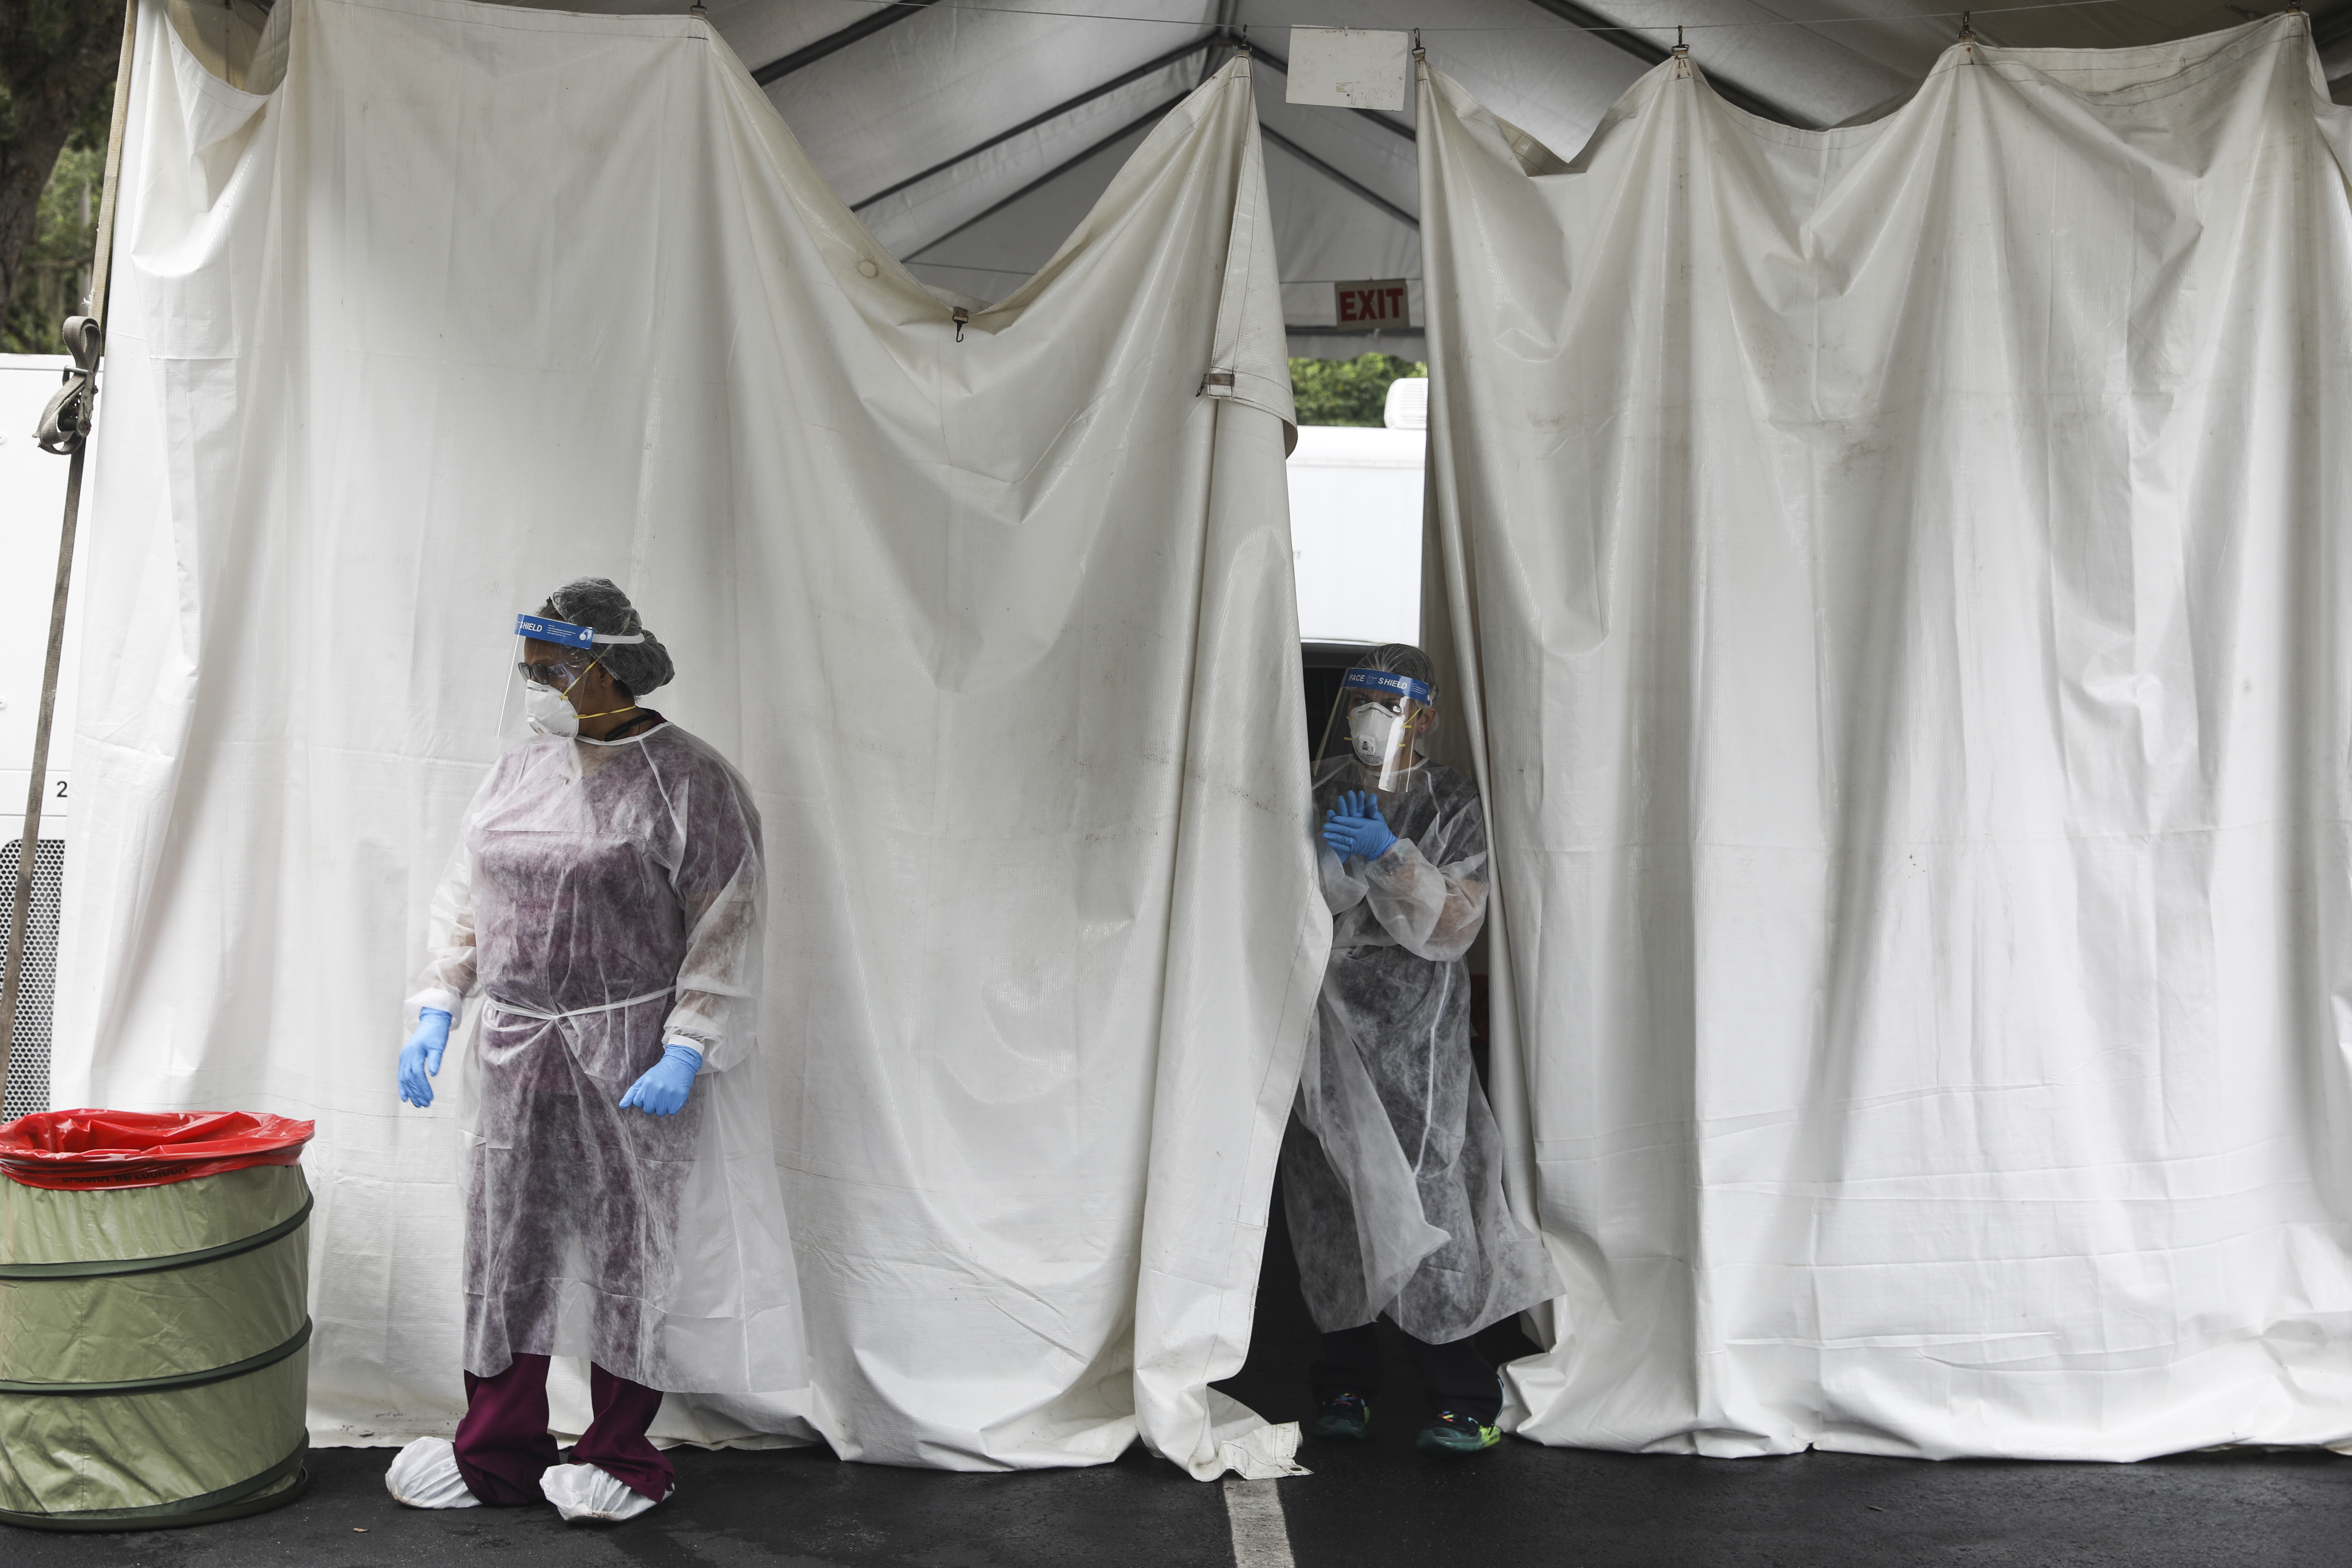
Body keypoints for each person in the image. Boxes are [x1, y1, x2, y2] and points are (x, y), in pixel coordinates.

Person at [384, 578, 801, 1523]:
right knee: (506, 1241)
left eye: (552, 670)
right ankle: (496, 1451)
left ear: (604, 667)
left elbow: (728, 917)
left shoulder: (688, 779)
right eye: (530, 669)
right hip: (513, 1043)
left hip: (630, 1050)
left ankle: (620, 1453)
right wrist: (438, 1004)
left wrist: (689, 1043)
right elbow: (468, 895)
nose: (536, 686)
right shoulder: (517, 771)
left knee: (629, 1245)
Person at [1285, 643, 1562, 1455]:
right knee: (1331, 1199)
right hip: (1325, 1024)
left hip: (1415, 1030)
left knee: (1427, 1194)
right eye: (1362, 699)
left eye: (1392, 703)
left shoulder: (1451, 801)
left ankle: (1462, 1394)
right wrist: (1337, 865)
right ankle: (1344, 1382)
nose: (1372, 718)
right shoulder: (1318, 789)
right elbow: (1289, 901)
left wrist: (1390, 855)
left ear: (1427, 716)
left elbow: (1457, 922)